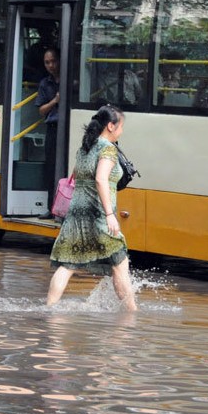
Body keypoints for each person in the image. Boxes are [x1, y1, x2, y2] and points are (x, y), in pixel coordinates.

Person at [46, 104, 137, 311]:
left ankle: (49, 308)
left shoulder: (85, 147)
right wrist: (109, 214)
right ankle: (132, 314)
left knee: (67, 265)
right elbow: (100, 180)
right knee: (120, 263)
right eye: (121, 126)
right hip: (98, 215)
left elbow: (77, 176)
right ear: (111, 126)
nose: (122, 131)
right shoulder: (107, 149)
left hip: (76, 214)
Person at [35, 47, 61, 219]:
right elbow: (42, 110)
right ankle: (51, 207)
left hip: (68, 127)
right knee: (51, 168)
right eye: (47, 62)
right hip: (53, 128)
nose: (51, 65)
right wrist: (55, 100)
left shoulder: (71, 79)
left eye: (53, 61)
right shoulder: (45, 83)